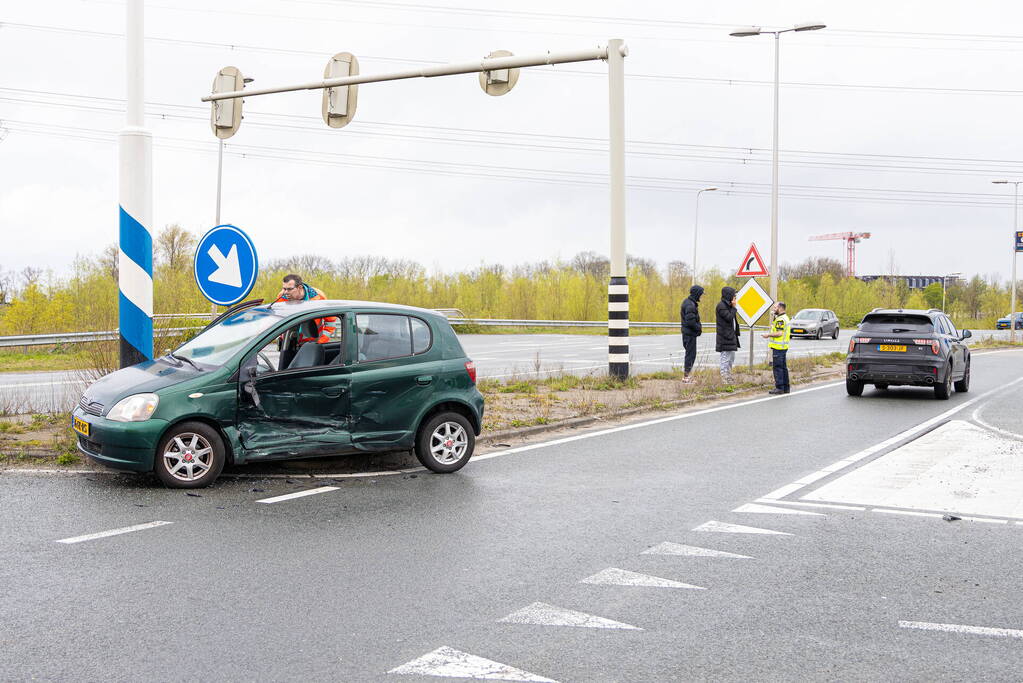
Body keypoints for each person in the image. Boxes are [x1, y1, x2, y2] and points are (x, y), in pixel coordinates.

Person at [274, 273, 337, 344]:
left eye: (289, 289)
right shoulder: (281, 297)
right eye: (284, 288)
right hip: (288, 342)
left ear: (300, 287)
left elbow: (330, 322)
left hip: (312, 342)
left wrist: (321, 342)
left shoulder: (318, 297)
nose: (285, 292)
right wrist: (279, 338)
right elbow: (276, 319)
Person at [762, 301, 791, 395]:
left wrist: (768, 335)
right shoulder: (784, 318)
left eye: (775, 308)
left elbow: (779, 333)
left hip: (779, 347)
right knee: (783, 368)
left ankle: (779, 388)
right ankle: (786, 387)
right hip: (783, 347)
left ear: (780, 308)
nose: (773, 309)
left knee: (778, 368)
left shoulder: (780, 320)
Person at [715, 286, 741, 384]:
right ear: (729, 295)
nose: (735, 297)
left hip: (731, 336)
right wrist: (734, 307)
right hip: (725, 337)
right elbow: (729, 317)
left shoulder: (728, 306)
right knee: (725, 358)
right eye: (734, 295)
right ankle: (724, 378)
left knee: (731, 359)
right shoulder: (721, 306)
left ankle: (728, 376)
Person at [680, 285, 704, 382]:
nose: (701, 296)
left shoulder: (689, 303)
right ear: (697, 294)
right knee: (690, 355)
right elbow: (690, 322)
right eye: (701, 294)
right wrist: (699, 329)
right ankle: (686, 377)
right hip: (689, 334)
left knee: (690, 354)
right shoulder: (690, 305)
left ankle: (687, 375)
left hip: (688, 333)